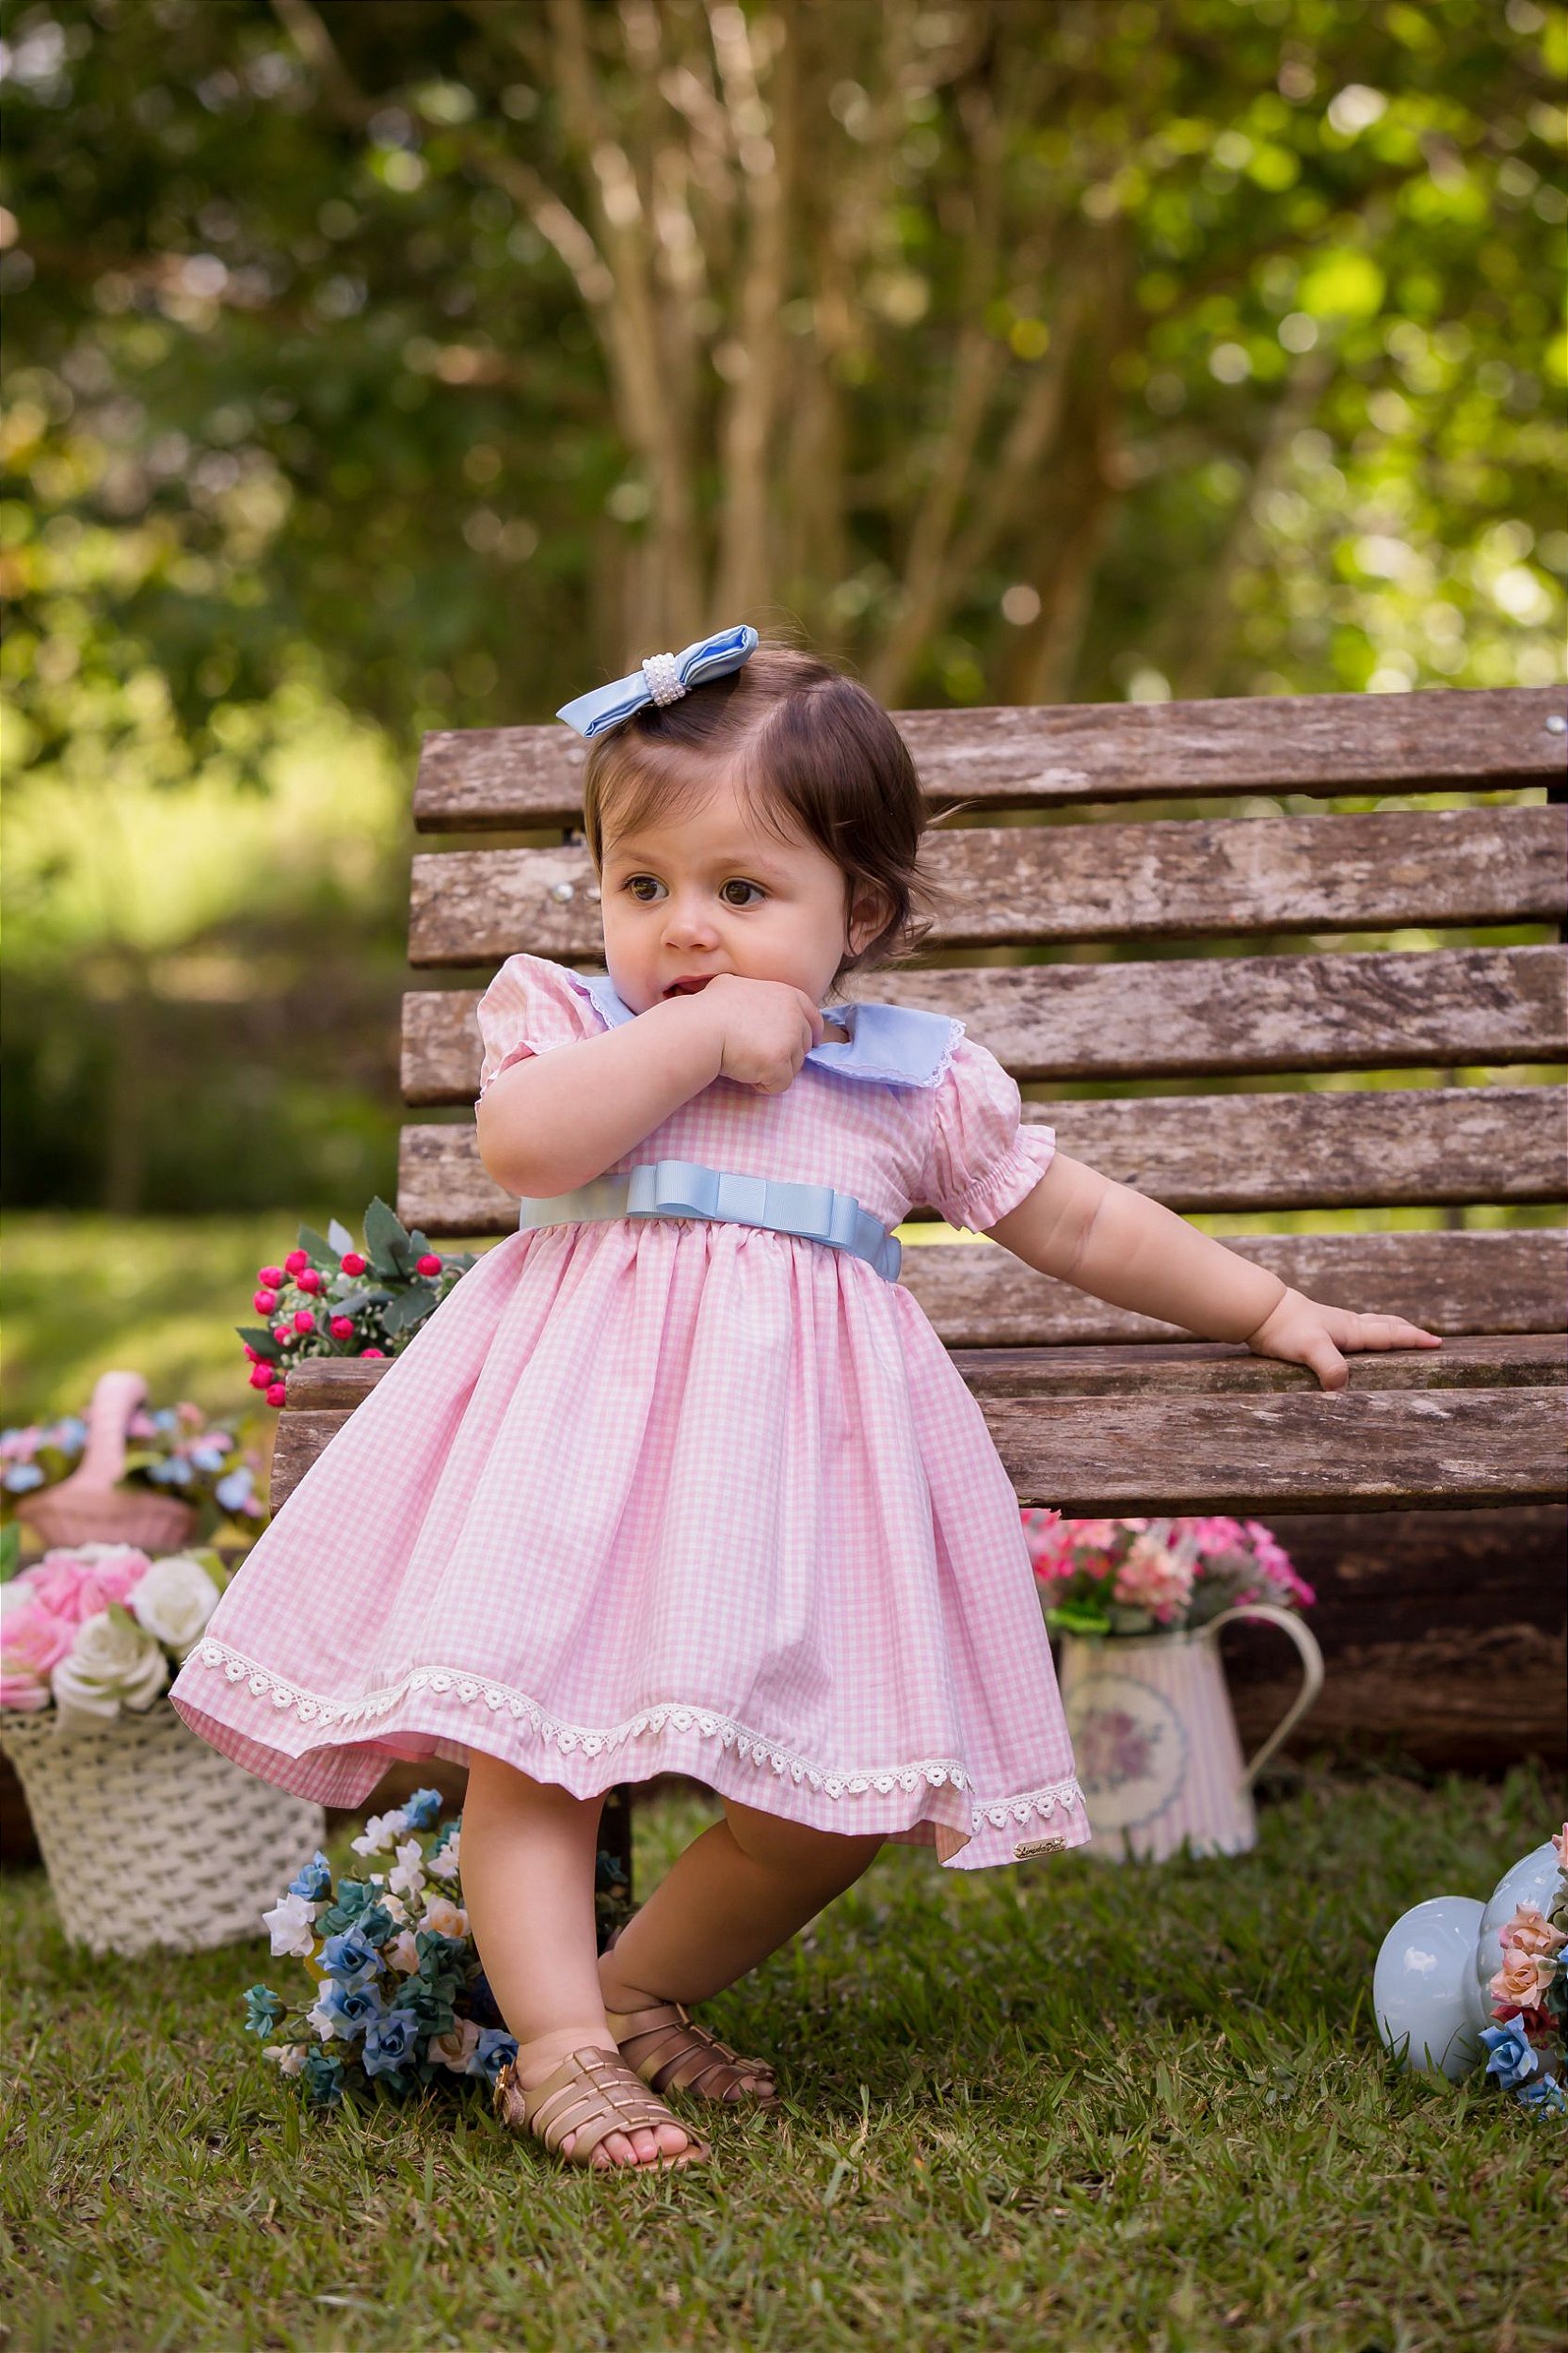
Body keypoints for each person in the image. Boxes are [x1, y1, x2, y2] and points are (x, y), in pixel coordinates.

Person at [169, 627, 1440, 2173]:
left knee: (841, 1797)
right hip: (572, 1455)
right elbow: (522, 1149)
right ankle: (557, 2056)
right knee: (534, 1753)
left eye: (742, 893)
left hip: (793, 1494)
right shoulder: (575, 1023)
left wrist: (1269, 1302)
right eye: (643, 889)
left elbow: (1075, 1219)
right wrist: (697, 1035)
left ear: (866, 913)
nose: (684, 929)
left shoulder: (910, 1081)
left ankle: (634, 1995)